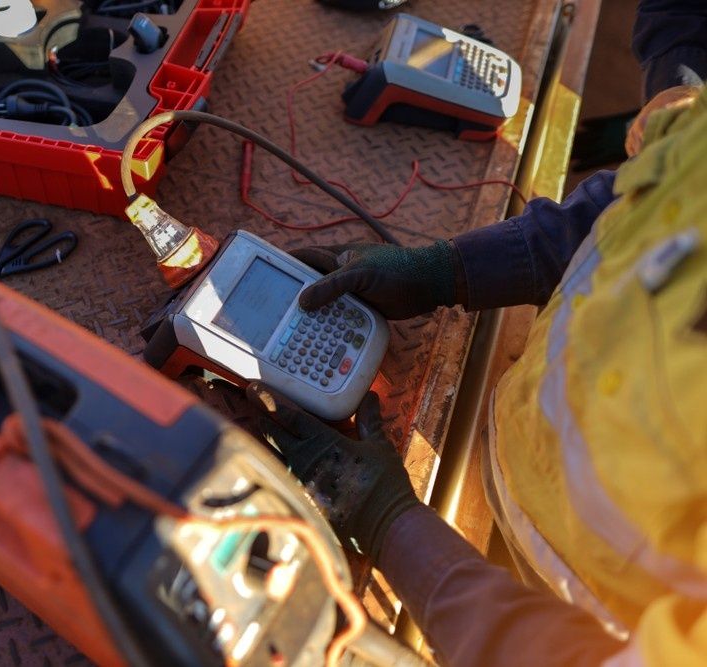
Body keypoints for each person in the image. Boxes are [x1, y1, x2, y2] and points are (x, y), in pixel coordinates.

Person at [247, 3, 707, 665]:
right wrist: (446, 270)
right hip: (511, 465)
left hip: (568, 599)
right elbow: (634, 214)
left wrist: (394, 528)